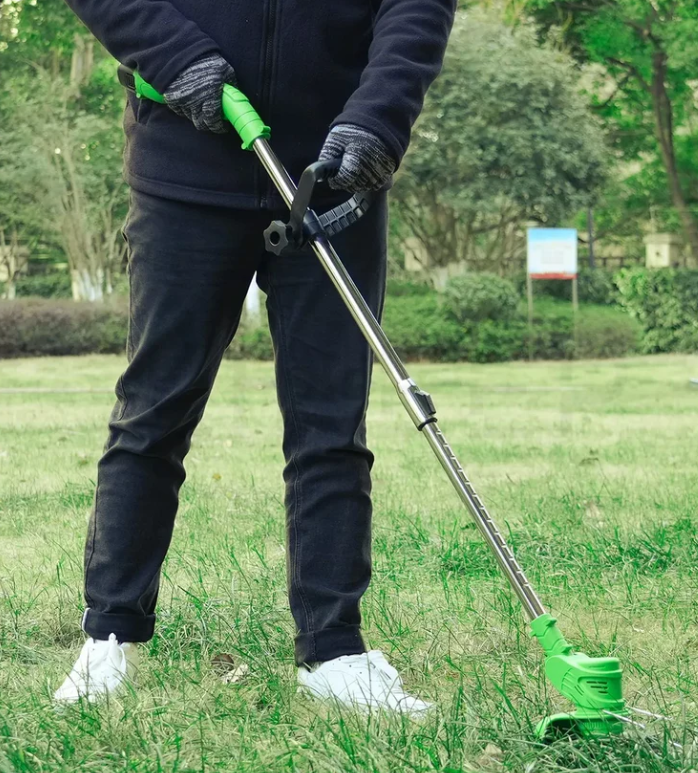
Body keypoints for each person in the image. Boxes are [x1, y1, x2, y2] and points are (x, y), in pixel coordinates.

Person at [54, 0, 455, 713]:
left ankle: (334, 649)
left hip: (333, 173)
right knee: (153, 410)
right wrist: (174, 55)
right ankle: (107, 635)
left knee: (332, 424)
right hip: (185, 167)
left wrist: (379, 116)